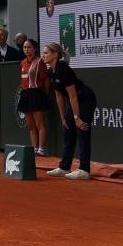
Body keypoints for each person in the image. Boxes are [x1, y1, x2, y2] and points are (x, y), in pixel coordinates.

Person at [40, 43, 94, 180]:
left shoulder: (63, 69)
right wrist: (63, 117)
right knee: (69, 131)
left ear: (55, 55)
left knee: (82, 130)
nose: (43, 55)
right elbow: (59, 96)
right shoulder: (52, 71)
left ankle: (84, 170)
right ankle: (64, 167)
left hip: (85, 98)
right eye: (43, 53)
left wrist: (77, 117)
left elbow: (73, 95)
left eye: (46, 53)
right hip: (75, 101)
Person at [16, 36, 50, 152]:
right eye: (25, 47)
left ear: (34, 49)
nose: (26, 50)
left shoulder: (40, 61)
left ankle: (41, 149)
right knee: (31, 125)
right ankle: (34, 149)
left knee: (40, 124)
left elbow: (45, 79)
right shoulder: (22, 63)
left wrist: (45, 93)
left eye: (29, 47)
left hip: (36, 94)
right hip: (25, 95)